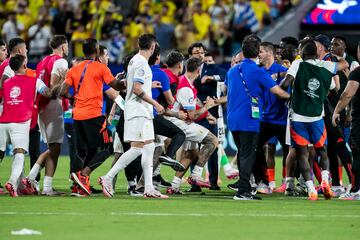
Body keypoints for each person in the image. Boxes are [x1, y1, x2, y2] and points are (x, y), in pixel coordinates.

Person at [99, 34, 168, 199]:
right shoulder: (142, 63)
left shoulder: (133, 61)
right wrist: (156, 104)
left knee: (149, 147)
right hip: (138, 110)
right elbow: (137, 89)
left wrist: (148, 86)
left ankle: (148, 188)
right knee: (138, 148)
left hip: (139, 111)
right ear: (152, 48)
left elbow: (131, 85)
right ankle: (107, 178)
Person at [281, 39, 347, 201]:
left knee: (302, 153)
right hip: (317, 116)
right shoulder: (326, 67)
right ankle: (325, 180)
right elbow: (335, 86)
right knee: (322, 151)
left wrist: (288, 93)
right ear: (316, 53)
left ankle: (311, 189)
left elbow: (285, 84)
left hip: (298, 116)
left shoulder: (298, 65)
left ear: (303, 52)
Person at [226, 35, 290, 200]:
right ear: (256, 52)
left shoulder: (233, 70)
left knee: (243, 153)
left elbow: (227, 90)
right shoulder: (257, 71)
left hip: (232, 118)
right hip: (249, 118)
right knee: (249, 154)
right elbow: (277, 91)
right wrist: (291, 98)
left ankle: (246, 186)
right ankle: (243, 191)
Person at [59, 38, 125, 196]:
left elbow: (62, 91)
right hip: (94, 114)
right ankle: (83, 175)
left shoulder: (74, 69)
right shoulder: (100, 67)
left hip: (78, 115)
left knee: (84, 151)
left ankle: (78, 186)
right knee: (107, 147)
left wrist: (74, 98)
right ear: (96, 51)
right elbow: (115, 85)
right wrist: (126, 82)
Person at [0, 54, 54, 197]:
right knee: (19, 153)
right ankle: (12, 182)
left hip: (3, 121)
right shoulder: (34, 81)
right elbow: (48, 93)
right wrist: (59, 83)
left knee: (1, 153)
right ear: (24, 65)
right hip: (20, 121)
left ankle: (17, 186)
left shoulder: (6, 83)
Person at [22, 35, 69, 196]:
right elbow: (54, 88)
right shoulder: (61, 61)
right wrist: (66, 81)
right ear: (63, 46)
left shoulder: (43, 61)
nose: (68, 49)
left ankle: (43, 184)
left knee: (53, 147)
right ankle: (32, 179)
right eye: (67, 46)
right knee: (55, 147)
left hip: (41, 106)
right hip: (52, 105)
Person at [165, 57, 219, 194]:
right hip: (179, 123)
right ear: (199, 70)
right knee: (213, 140)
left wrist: (207, 114)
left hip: (178, 121)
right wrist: (208, 107)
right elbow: (192, 115)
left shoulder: (186, 82)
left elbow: (196, 102)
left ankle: (174, 186)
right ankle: (196, 175)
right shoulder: (185, 88)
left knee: (192, 152)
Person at [253, 41, 289, 194]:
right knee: (255, 149)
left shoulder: (284, 71)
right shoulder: (258, 71)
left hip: (282, 119)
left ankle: (290, 183)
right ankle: (264, 181)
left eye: (260, 51)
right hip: (264, 119)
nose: (258, 55)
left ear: (269, 53)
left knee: (291, 152)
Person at [332, 42, 360, 200]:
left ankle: (356, 190)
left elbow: (347, 94)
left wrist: (337, 111)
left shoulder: (357, 72)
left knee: (357, 153)